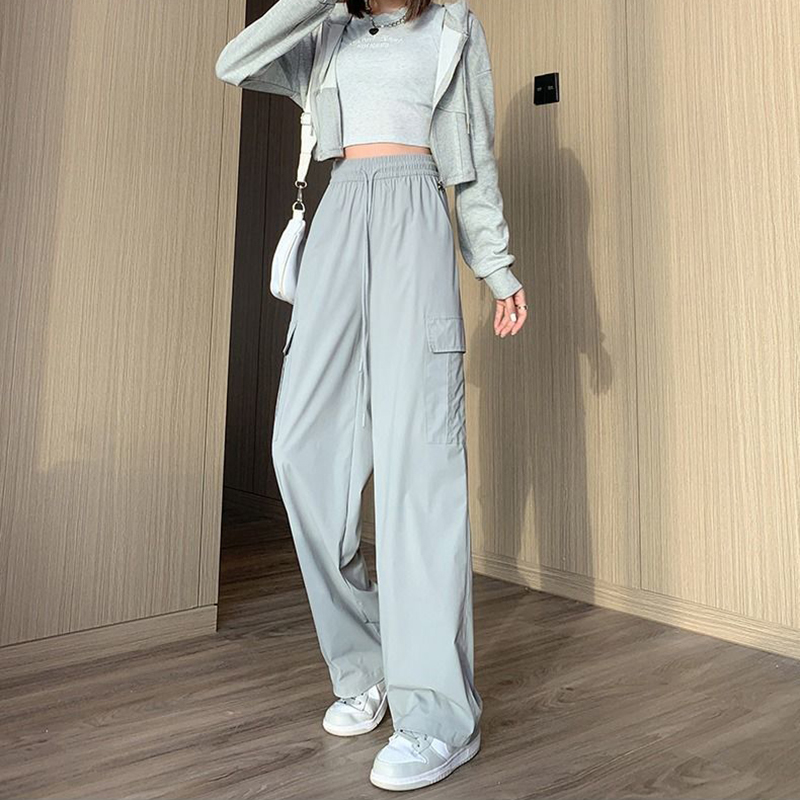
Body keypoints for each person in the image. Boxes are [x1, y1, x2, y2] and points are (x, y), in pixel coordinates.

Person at [215, 0, 528, 789]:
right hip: (340, 213)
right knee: (301, 452)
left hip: (415, 212)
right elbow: (235, 63)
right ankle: (367, 662)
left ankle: (439, 718)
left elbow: (473, 158)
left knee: (418, 468)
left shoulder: (453, 27)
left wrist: (495, 267)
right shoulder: (328, 29)